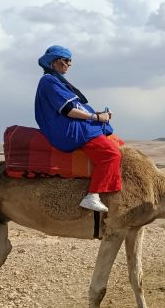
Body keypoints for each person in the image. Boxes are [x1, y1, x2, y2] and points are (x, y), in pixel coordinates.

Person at [34, 45, 121, 213]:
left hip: (70, 124)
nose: (70, 64)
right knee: (111, 154)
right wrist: (96, 117)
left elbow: (75, 107)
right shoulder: (49, 81)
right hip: (66, 129)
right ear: (55, 62)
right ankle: (92, 195)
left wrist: (99, 115)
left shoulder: (55, 80)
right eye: (67, 60)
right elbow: (67, 110)